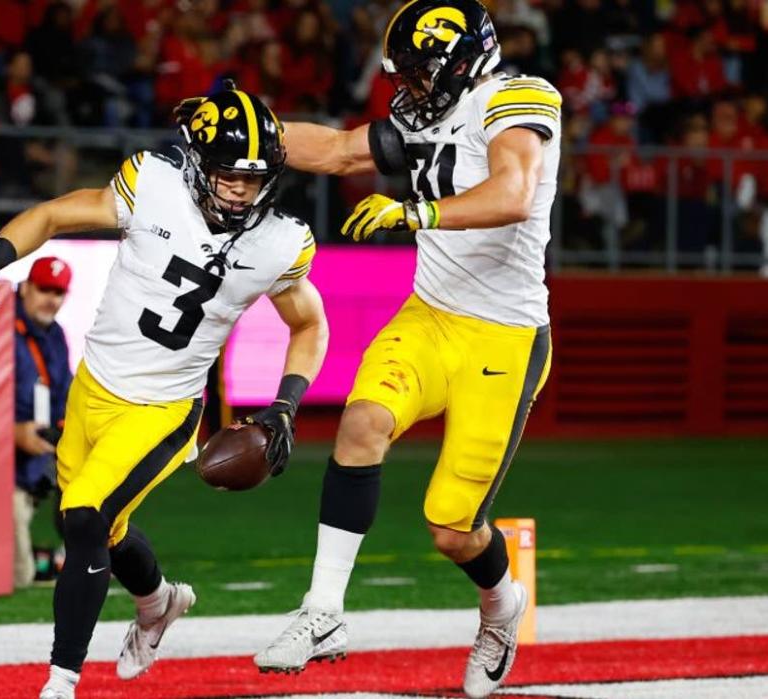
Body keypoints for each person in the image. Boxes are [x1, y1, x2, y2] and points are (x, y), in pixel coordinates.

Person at [0, 84, 329, 699]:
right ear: (200, 163)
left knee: (84, 515)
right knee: (107, 529)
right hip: (94, 385)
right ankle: (158, 603)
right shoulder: (153, 184)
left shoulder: (279, 241)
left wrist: (286, 402)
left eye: (253, 179)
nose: (239, 190)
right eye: (228, 174)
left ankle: (61, 681)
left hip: (164, 408)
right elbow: (52, 214)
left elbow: (308, 322)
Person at [228, 1, 559, 696]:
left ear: (460, 60)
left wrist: (415, 212)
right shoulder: (421, 114)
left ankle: (502, 604)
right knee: (360, 422)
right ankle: (322, 611)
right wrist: (245, 135)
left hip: (503, 336)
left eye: (417, 70)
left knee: (450, 527)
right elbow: (343, 149)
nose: (407, 84)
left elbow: (514, 191)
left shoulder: (520, 98)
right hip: (432, 315)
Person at [13, 256, 74, 588]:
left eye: (58, 292)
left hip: (44, 448)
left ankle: (75, 557)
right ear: (25, 287)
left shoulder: (56, 335)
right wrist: (8, 430)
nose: (51, 299)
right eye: (44, 289)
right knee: (17, 577)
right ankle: (37, 561)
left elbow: (65, 390)